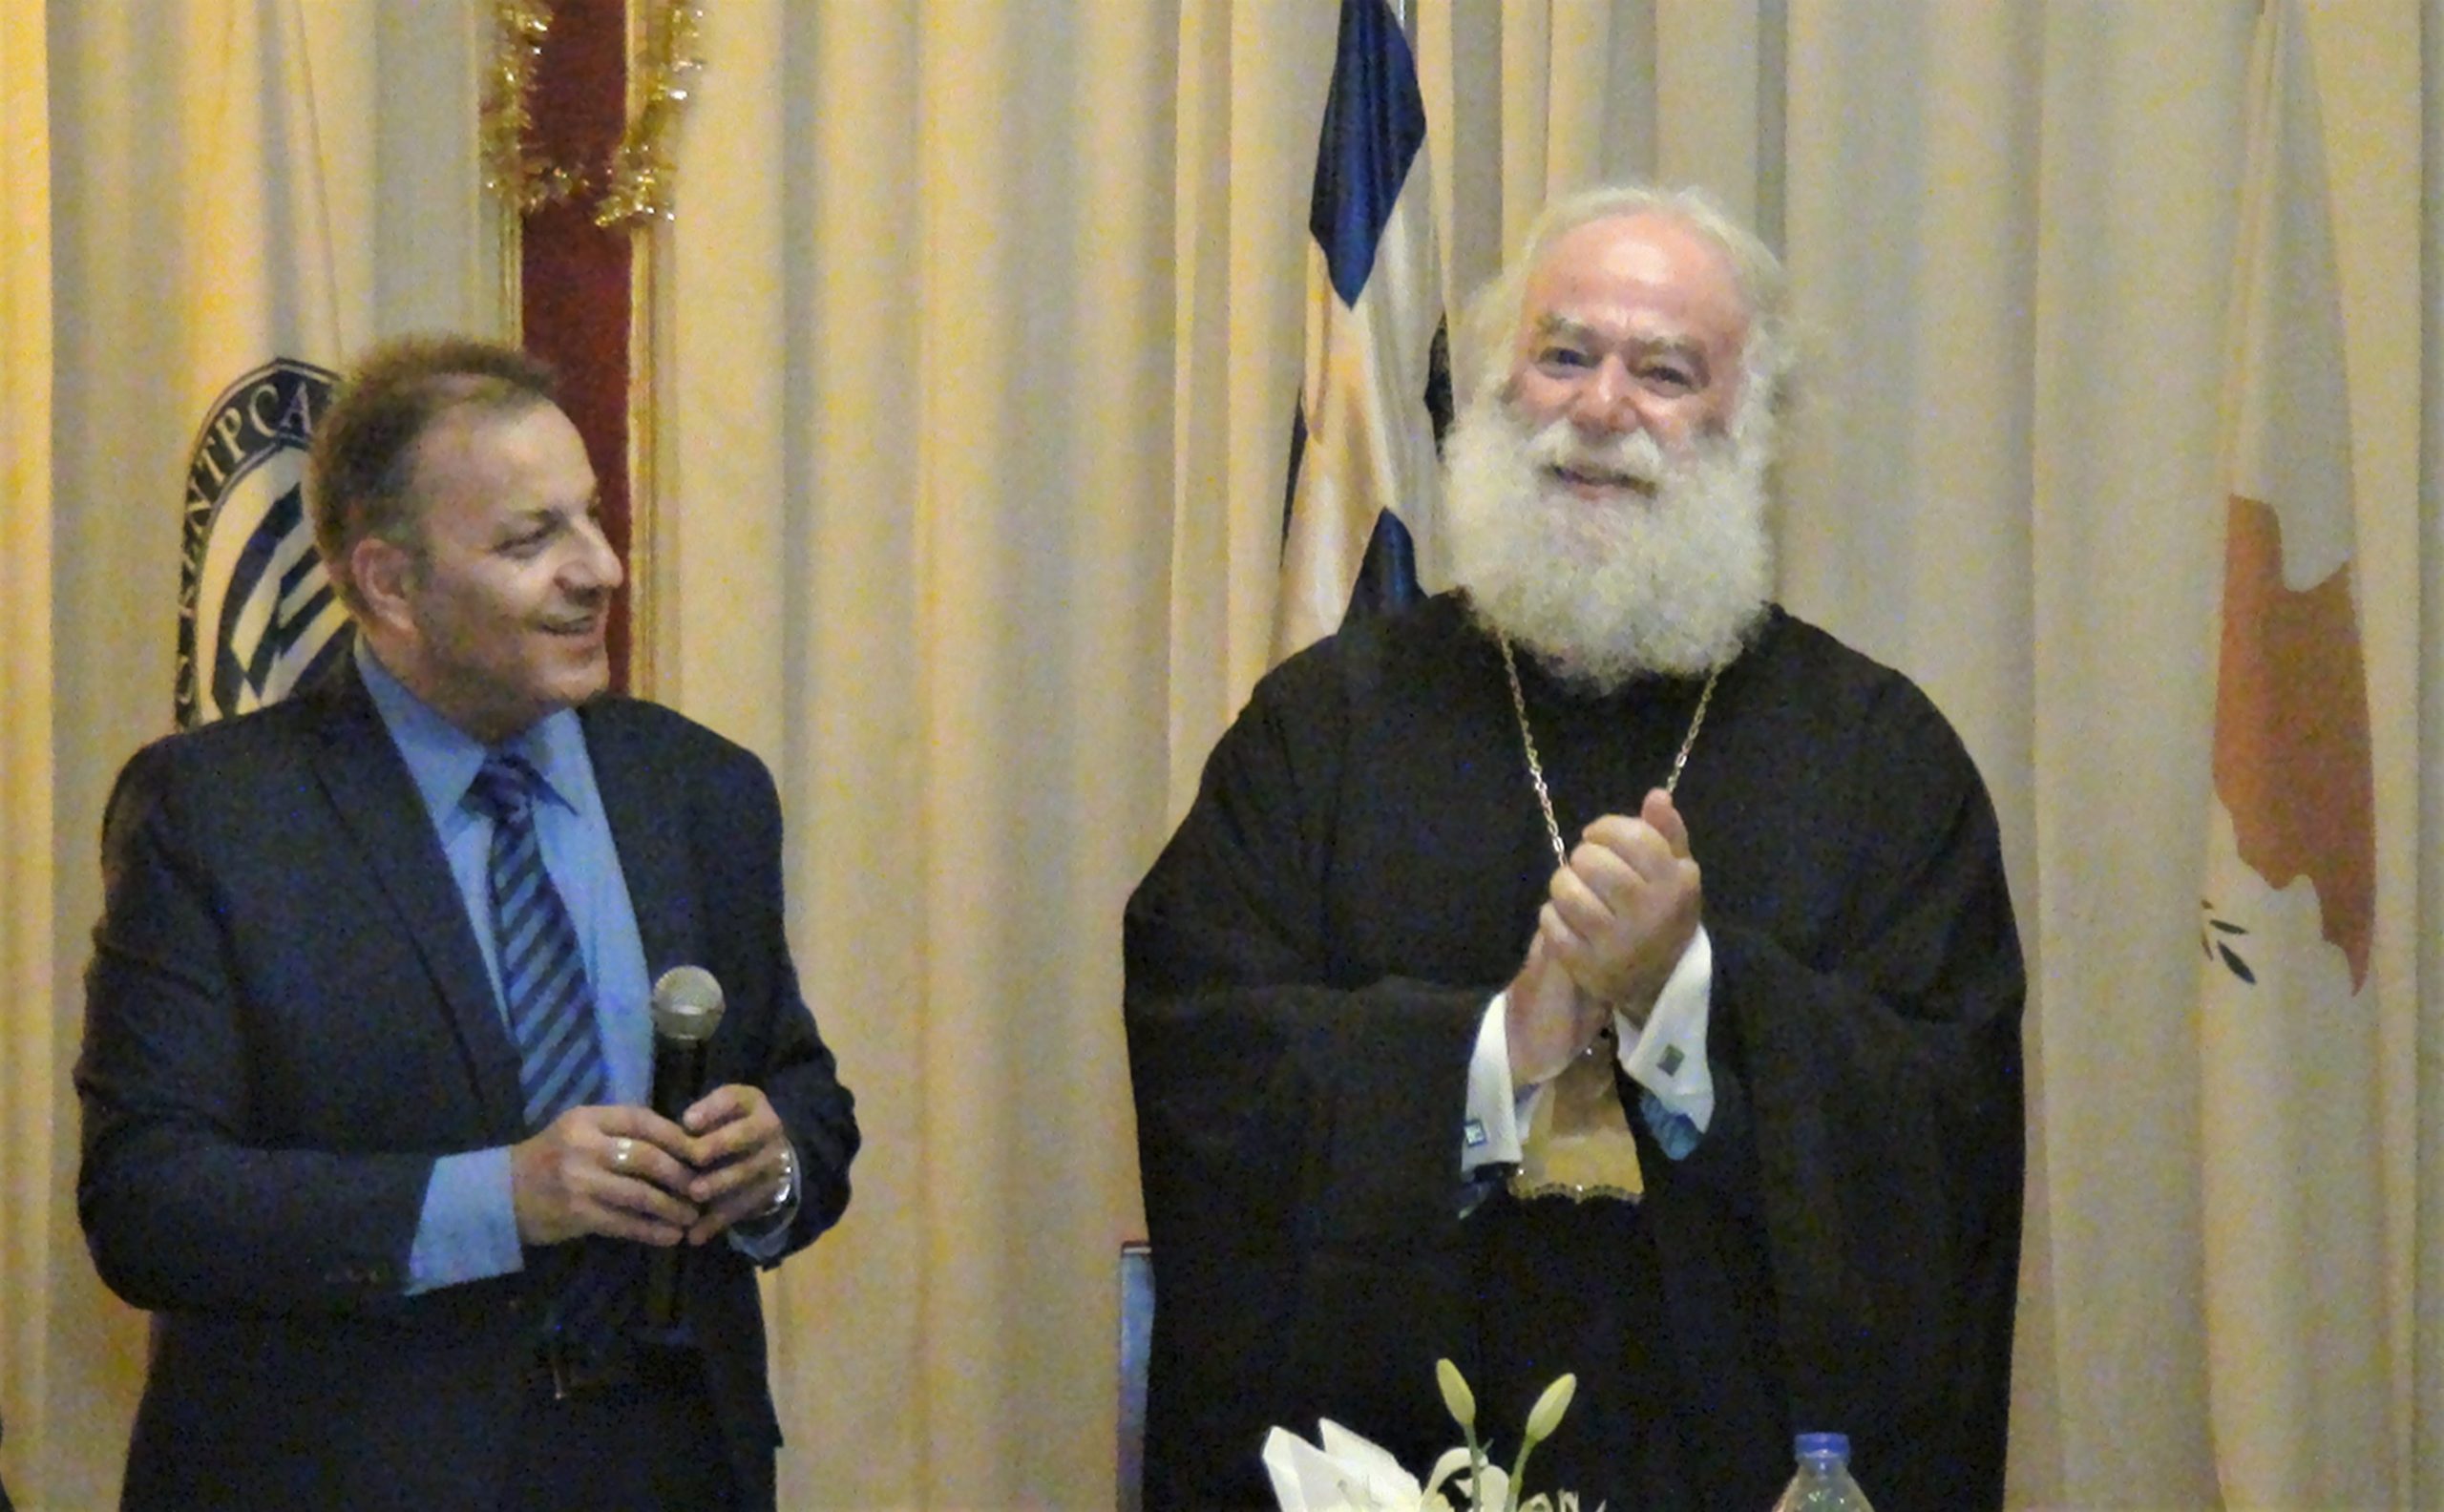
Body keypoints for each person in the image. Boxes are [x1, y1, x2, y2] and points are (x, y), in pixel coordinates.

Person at [1125, 184, 2024, 1512]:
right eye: (1563, 354)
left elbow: (1944, 1142)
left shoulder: (1882, 760)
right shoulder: (1323, 727)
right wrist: (1503, 1047)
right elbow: (1204, 1060)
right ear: (1496, 391)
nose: (1602, 408)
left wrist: (1687, 997)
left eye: (1665, 372)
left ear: (1750, 427)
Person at [76, 335, 858, 1512]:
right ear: (390, 583)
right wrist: (503, 1200)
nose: (599, 569)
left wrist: (774, 1164)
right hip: (348, 1472)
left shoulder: (701, 789)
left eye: (591, 518)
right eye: (529, 540)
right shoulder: (218, 815)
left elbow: (800, 1088)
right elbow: (148, 1202)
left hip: (668, 1461)